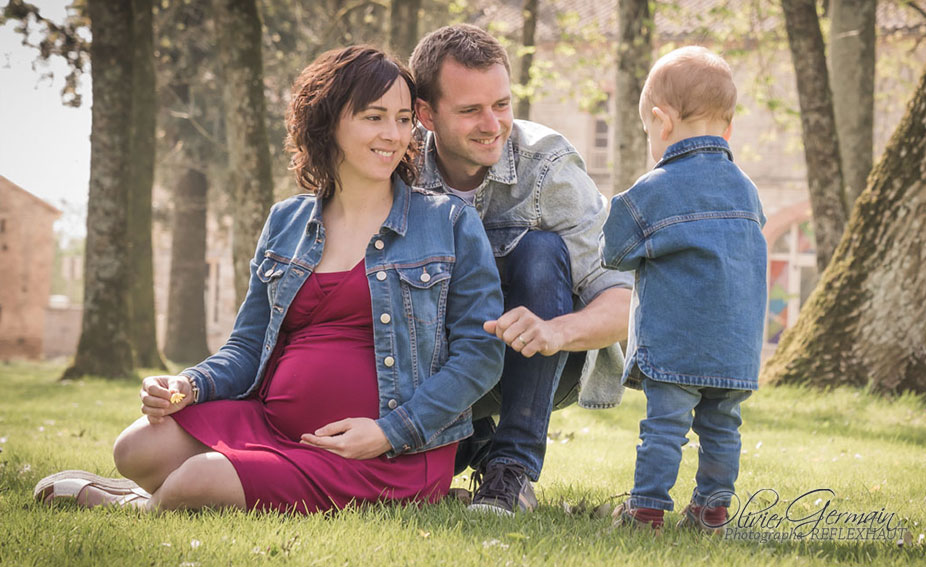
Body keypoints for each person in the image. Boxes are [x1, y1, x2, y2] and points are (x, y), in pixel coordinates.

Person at [33, 45, 505, 514]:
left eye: (403, 119)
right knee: (136, 448)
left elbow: (480, 356)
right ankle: (186, 483)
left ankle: (144, 504)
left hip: (388, 454)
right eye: (373, 116)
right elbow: (247, 345)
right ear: (328, 123)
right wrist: (188, 385)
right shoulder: (287, 222)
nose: (393, 134)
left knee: (199, 479)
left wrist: (390, 431)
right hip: (273, 424)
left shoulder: (448, 222)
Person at [408, 24, 633, 515]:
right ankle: (469, 443)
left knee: (539, 249)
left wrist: (554, 330)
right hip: (433, 363)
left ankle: (510, 469)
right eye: (470, 110)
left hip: (541, 361)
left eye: (502, 105)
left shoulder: (547, 166)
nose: (493, 124)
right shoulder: (397, 169)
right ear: (425, 114)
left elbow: (625, 304)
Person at [600, 46, 767, 532]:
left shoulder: (656, 188)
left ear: (661, 120)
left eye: (648, 130)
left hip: (676, 343)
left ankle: (646, 508)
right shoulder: (748, 190)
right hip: (735, 348)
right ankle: (711, 511)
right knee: (722, 429)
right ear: (728, 128)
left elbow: (612, 251)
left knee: (664, 429)